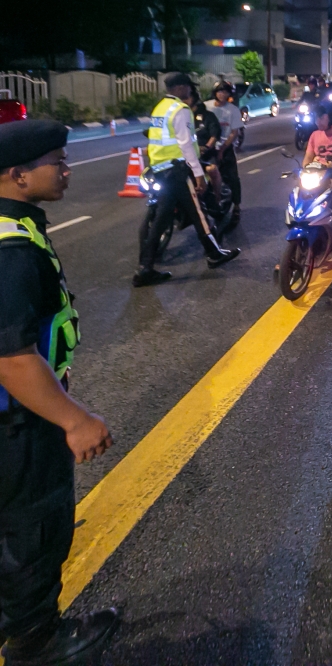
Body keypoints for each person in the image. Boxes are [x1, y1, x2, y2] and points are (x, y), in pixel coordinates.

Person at [0, 119, 120, 665]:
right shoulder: (13, 250)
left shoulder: (13, 227)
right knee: (34, 529)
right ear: (17, 175)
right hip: (17, 423)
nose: (67, 169)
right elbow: (12, 357)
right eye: (57, 161)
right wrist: (72, 419)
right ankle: (36, 642)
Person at [137, 73, 238, 287]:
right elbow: (185, 144)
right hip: (176, 170)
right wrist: (198, 174)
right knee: (197, 213)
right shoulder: (180, 110)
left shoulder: (160, 108)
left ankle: (145, 268)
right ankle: (213, 254)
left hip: (161, 169)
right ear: (181, 88)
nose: (191, 91)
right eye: (189, 87)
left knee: (161, 219)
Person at [210, 81, 245, 225]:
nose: (222, 94)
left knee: (233, 178)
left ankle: (236, 206)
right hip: (209, 148)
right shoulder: (207, 107)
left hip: (226, 148)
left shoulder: (233, 110)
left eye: (225, 92)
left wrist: (223, 149)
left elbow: (234, 132)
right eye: (220, 91)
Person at [191, 89, 225, 209]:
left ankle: (217, 198)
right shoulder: (182, 117)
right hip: (187, 154)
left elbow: (214, 135)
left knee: (211, 169)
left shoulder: (208, 116)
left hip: (206, 154)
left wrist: (205, 147)